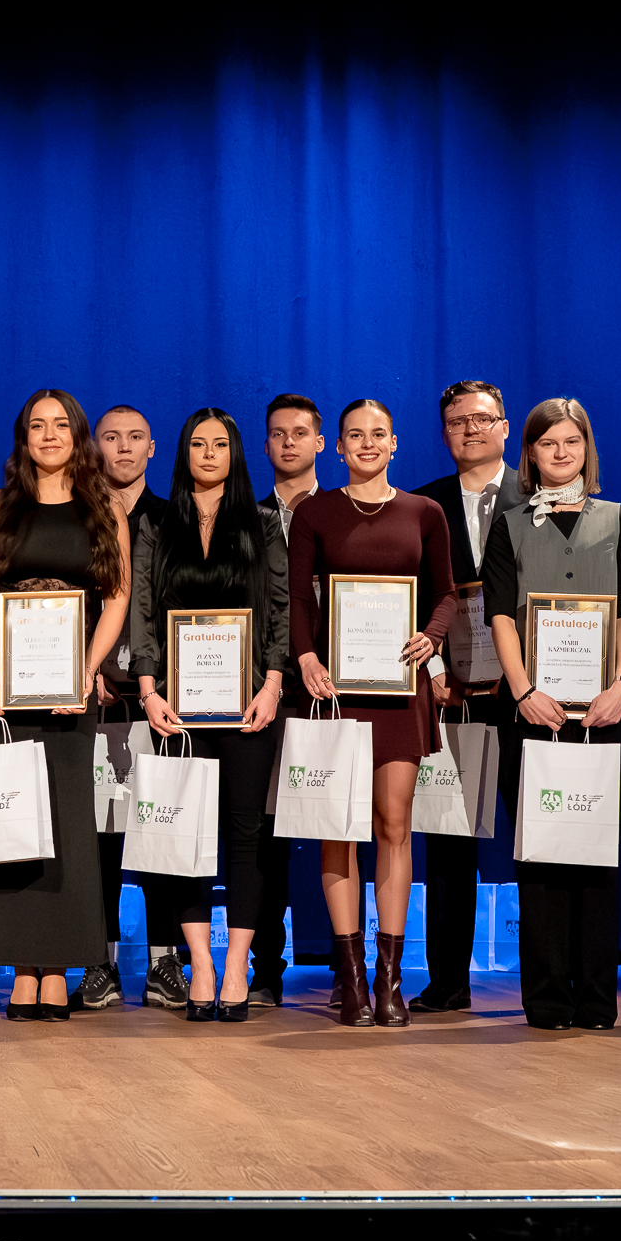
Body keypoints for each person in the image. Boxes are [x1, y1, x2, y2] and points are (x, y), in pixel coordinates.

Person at [0, 389, 130, 1021]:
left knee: (66, 824)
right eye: (38, 425)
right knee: (10, 823)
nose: (50, 434)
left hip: (67, 692)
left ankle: (56, 966)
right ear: (23, 436)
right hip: (2, 690)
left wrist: (87, 671)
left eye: (61, 425)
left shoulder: (104, 506)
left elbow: (116, 596)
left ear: (77, 435)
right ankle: (20, 966)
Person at [288, 399, 455, 1027]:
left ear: (394, 443)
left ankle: (390, 980)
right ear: (337, 446)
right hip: (335, 688)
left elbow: (445, 594)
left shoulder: (425, 512)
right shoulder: (315, 512)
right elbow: (297, 598)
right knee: (338, 827)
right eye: (354, 435)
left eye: (377, 434)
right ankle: (352, 979)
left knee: (394, 823)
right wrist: (306, 656)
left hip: (399, 689)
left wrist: (432, 638)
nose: (366, 443)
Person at [484, 398, 621, 1030]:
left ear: (587, 449)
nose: (560, 453)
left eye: (571, 442)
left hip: (605, 710)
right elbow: (500, 615)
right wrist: (523, 691)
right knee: (541, 854)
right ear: (529, 452)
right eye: (547, 443)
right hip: (533, 710)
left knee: (597, 851)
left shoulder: (620, 521)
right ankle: (548, 998)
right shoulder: (509, 525)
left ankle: (597, 999)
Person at [130, 409, 289, 1022]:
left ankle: (237, 965)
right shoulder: (157, 524)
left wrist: (273, 684)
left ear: (235, 453)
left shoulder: (263, 524)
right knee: (186, 836)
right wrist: (148, 692)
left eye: (220, 444)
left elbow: (279, 611)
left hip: (248, 705)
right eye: (197, 443)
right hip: (177, 707)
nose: (208, 453)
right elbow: (144, 613)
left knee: (246, 837)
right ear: (183, 452)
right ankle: (199, 961)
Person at [411, 379, 526, 1013]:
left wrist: (526, 677)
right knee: (448, 842)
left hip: (526, 697)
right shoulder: (421, 504)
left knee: (533, 835)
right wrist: (433, 672)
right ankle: (449, 981)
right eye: (458, 421)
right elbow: (414, 599)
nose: (471, 430)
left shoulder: (538, 495)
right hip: (451, 695)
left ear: (505, 427)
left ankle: (544, 978)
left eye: (483, 419)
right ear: (444, 433)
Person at [83, 403, 181, 1010]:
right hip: (89, 699)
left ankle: (166, 961)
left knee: (161, 831)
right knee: (97, 839)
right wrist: (82, 667)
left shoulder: (174, 519)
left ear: (152, 448)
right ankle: (101, 962)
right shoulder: (76, 518)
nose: (123, 447)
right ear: (94, 447)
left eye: (135, 437)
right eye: (111, 437)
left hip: (160, 701)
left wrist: (162, 682)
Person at [249, 392, 328, 1009]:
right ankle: (266, 969)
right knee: (265, 835)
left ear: (320, 443)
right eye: (278, 434)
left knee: (343, 827)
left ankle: (348, 962)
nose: (289, 442)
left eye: (300, 433)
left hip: (337, 690)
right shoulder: (246, 520)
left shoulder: (350, 511)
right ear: (266, 444)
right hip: (267, 692)